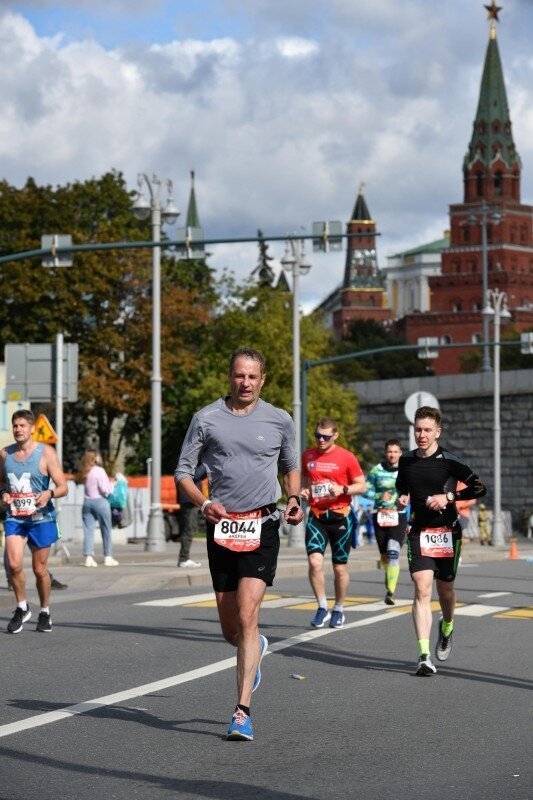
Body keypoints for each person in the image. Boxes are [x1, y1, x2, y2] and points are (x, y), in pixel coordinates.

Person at [175, 347, 303, 742]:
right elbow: (183, 472)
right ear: (229, 377)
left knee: (248, 614)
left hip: (263, 524)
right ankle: (255, 646)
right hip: (223, 528)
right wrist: (205, 502)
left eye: (252, 377)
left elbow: (291, 468)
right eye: (238, 376)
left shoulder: (280, 419)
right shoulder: (206, 418)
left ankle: (241, 711)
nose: (245, 383)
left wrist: (294, 499)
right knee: (231, 627)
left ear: (262, 380)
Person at [396, 406, 486, 676]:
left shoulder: (450, 461)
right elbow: (402, 484)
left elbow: (479, 487)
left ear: (438, 432)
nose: (421, 435)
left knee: (445, 591)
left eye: (427, 430)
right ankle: (424, 656)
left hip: (447, 532)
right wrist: (402, 496)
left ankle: (447, 625)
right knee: (422, 588)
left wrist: (448, 497)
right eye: (418, 430)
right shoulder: (406, 460)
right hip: (419, 532)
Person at [0, 409, 68, 633]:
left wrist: (49, 493)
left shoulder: (45, 453)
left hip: (41, 518)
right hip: (15, 518)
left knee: (40, 570)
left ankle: (45, 611)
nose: (18, 430)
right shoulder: (4, 454)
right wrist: (4, 494)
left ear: (31, 428)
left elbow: (63, 486)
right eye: (15, 426)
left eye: (22, 426)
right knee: (13, 564)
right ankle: (21, 607)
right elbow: (1, 483)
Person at [301, 417, 366, 630]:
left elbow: (361, 486)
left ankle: (338, 608)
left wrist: (342, 490)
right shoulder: (308, 455)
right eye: (317, 435)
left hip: (340, 516)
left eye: (326, 437)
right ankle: (322, 606)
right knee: (314, 562)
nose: (321, 440)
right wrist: (303, 490)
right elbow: (303, 476)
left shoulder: (347, 457)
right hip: (317, 515)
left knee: (339, 568)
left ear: (335, 435)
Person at [365, 439, 407, 605]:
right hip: (380, 515)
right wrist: (378, 496)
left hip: (399, 515)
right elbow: (365, 489)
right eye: (390, 451)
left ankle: (391, 591)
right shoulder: (377, 470)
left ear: (400, 453)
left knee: (393, 553)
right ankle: (388, 570)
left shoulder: (406, 470)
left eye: (396, 451)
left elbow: (413, 490)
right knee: (384, 555)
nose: (392, 454)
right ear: (385, 452)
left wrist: (406, 499)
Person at [78, 449, 119, 567]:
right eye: (98, 456)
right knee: (106, 529)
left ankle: (89, 557)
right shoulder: (99, 471)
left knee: (88, 530)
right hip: (100, 502)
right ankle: (108, 557)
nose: (100, 457)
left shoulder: (85, 471)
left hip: (87, 503)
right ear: (94, 458)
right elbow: (105, 490)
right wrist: (113, 484)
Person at [175, 464, 207, 568]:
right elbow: (195, 474)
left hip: (191, 500)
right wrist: (205, 466)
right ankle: (183, 559)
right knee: (188, 529)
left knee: (191, 528)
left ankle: (184, 558)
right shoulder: (188, 459)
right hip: (189, 499)